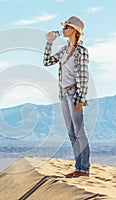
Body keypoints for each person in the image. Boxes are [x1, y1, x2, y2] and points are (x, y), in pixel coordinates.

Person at [43, 16, 90, 178]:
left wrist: (80, 98)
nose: (63, 30)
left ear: (74, 31)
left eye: (66, 27)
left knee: (79, 131)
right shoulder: (64, 50)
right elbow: (47, 62)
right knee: (71, 132)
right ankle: (78, 167)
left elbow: (84, 76)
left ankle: (84, 169)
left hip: (74, 93)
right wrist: (49, 43)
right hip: (63, 94)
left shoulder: (81, 51)